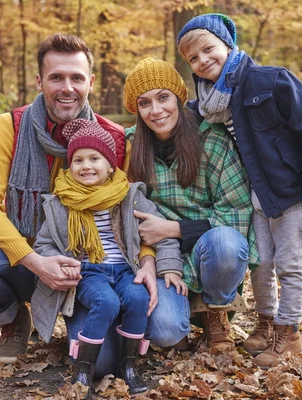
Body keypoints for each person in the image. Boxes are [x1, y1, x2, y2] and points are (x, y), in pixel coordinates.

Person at [0, 33, 190, 375]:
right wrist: (36, 262)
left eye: (76, 78)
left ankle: (107, 319)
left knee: (109, 360)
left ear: (90, 81)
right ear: (39, 80)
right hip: (31, 263)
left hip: (92, 270)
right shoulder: (11, 127)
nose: (67, 87)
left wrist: (147, 261)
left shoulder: (114, 139)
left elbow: (137, 212)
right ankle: (14, 320)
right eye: (56, 77)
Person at [177, 13, 302, 368]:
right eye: (193, 59)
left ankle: (288, 332)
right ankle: (265, 323)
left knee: (289, 264)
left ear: (227, 44)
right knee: (260, 263)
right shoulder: (206, 103)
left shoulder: (270, 80)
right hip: (253, 195)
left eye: (208, 49)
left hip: (288, 190)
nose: (203, 61)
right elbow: (176, 120)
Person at [32, 118, 186, 396]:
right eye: (78, 160)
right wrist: (59, 262)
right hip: (89, 271)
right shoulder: (60, 202)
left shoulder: (129, 196)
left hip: (125, 268)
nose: (86, 166)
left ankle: (129, 366)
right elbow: (44, 244)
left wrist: (168, 267)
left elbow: (161, 234)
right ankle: (83, 368)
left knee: (138, 298)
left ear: (110, 165)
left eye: (94, 158)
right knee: (106, 301)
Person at [123, 58, 259, 353]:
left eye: (163, 98)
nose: (156, 110)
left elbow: (236, 216)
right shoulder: (130, 148)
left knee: (226, 243)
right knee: (166, 332)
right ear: (136, 109)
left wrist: (172, 228)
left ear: (178, 97)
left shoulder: (213, 140)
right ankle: (181, 314)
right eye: (144, 103)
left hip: (211, 248)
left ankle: (215, 313)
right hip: (163, 259)